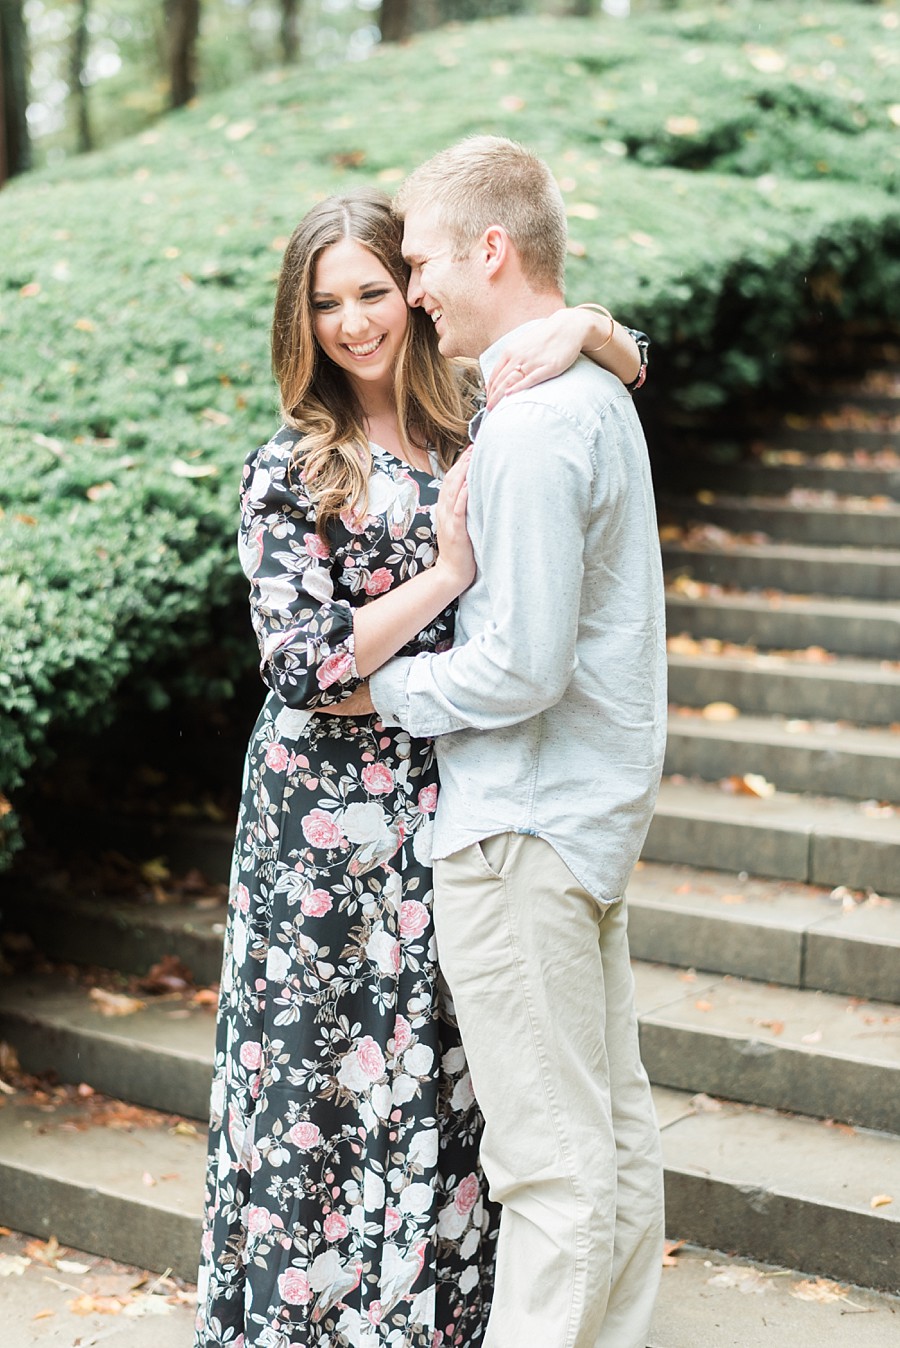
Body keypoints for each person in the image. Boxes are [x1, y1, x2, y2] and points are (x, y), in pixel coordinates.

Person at [194, 185, 650, 1348]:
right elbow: (298, 667)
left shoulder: (480, 422)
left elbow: (612, 375)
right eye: (329, 302)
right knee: (316, 1088)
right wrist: (443, 580)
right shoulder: (293, 469)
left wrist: (599, 329)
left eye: (375, 291)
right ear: (303, 320)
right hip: (319, 825)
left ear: (414, 289)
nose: (356, 322)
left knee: (447, 1085)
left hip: (450, 788)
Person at [368, 138, 667, 1348]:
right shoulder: (578, 390)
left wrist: (381, 692)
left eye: (424, 259)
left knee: (548, 1166)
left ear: (493, 249)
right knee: (612, 1146)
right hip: (576, 822)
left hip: (520, 830)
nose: (414, 284)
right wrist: (604, 330)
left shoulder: (541, 423)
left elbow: (523, 666)